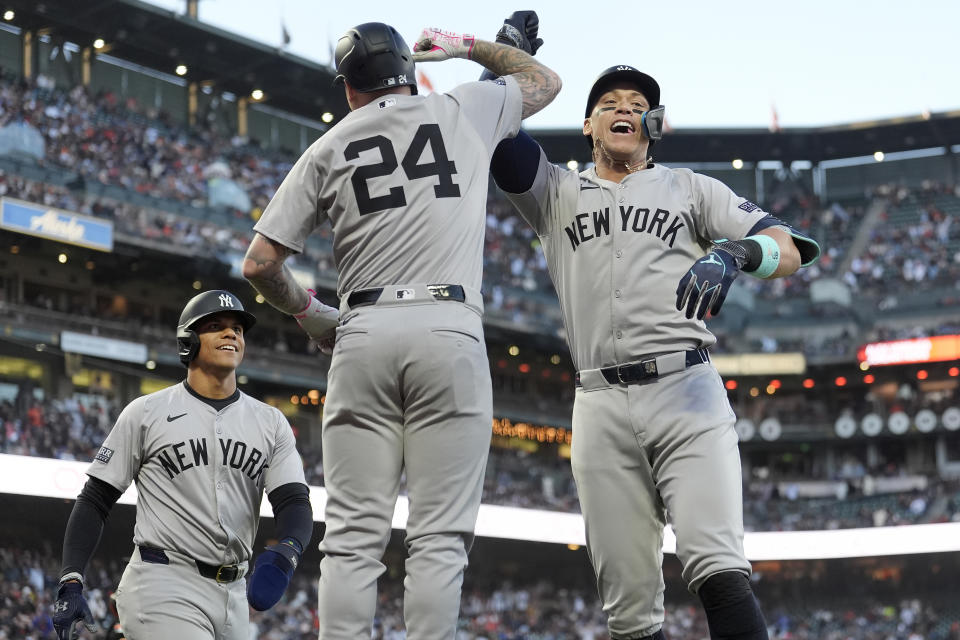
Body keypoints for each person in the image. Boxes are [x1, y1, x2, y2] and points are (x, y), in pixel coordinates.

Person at [485, 18, 821, 640]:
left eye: (639, 106)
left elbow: (789, 245)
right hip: (599, 405)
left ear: (653, 125)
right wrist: (505, 63)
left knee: (719, 571)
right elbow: (490, 131)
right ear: (587, 124)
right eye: (608, 104)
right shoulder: (555, 190)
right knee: (630, 614)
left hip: (685, 390)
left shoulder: (690, 188)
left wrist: (735, 254)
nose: (624, 110)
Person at [241, 20, 560, 639]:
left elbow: (259, 263)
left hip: (362, 331)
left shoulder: (329, 146)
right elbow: (542, 79)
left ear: (348, 88)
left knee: (354, 540)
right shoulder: (464, 105)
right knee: (439, 540)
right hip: (449, 327)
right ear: (411, 70)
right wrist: (471, 47)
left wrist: (313, 315)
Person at [51, 290, 313, 640]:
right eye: (216, 326)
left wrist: (288, 552)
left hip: (233, 595)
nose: (231, 334)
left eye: (237, 328)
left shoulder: (271, 422)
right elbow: (95, 499)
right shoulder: (146, 412)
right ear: (188, 341)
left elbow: (293, 502)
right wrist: (72, 578)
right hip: (163, 582)